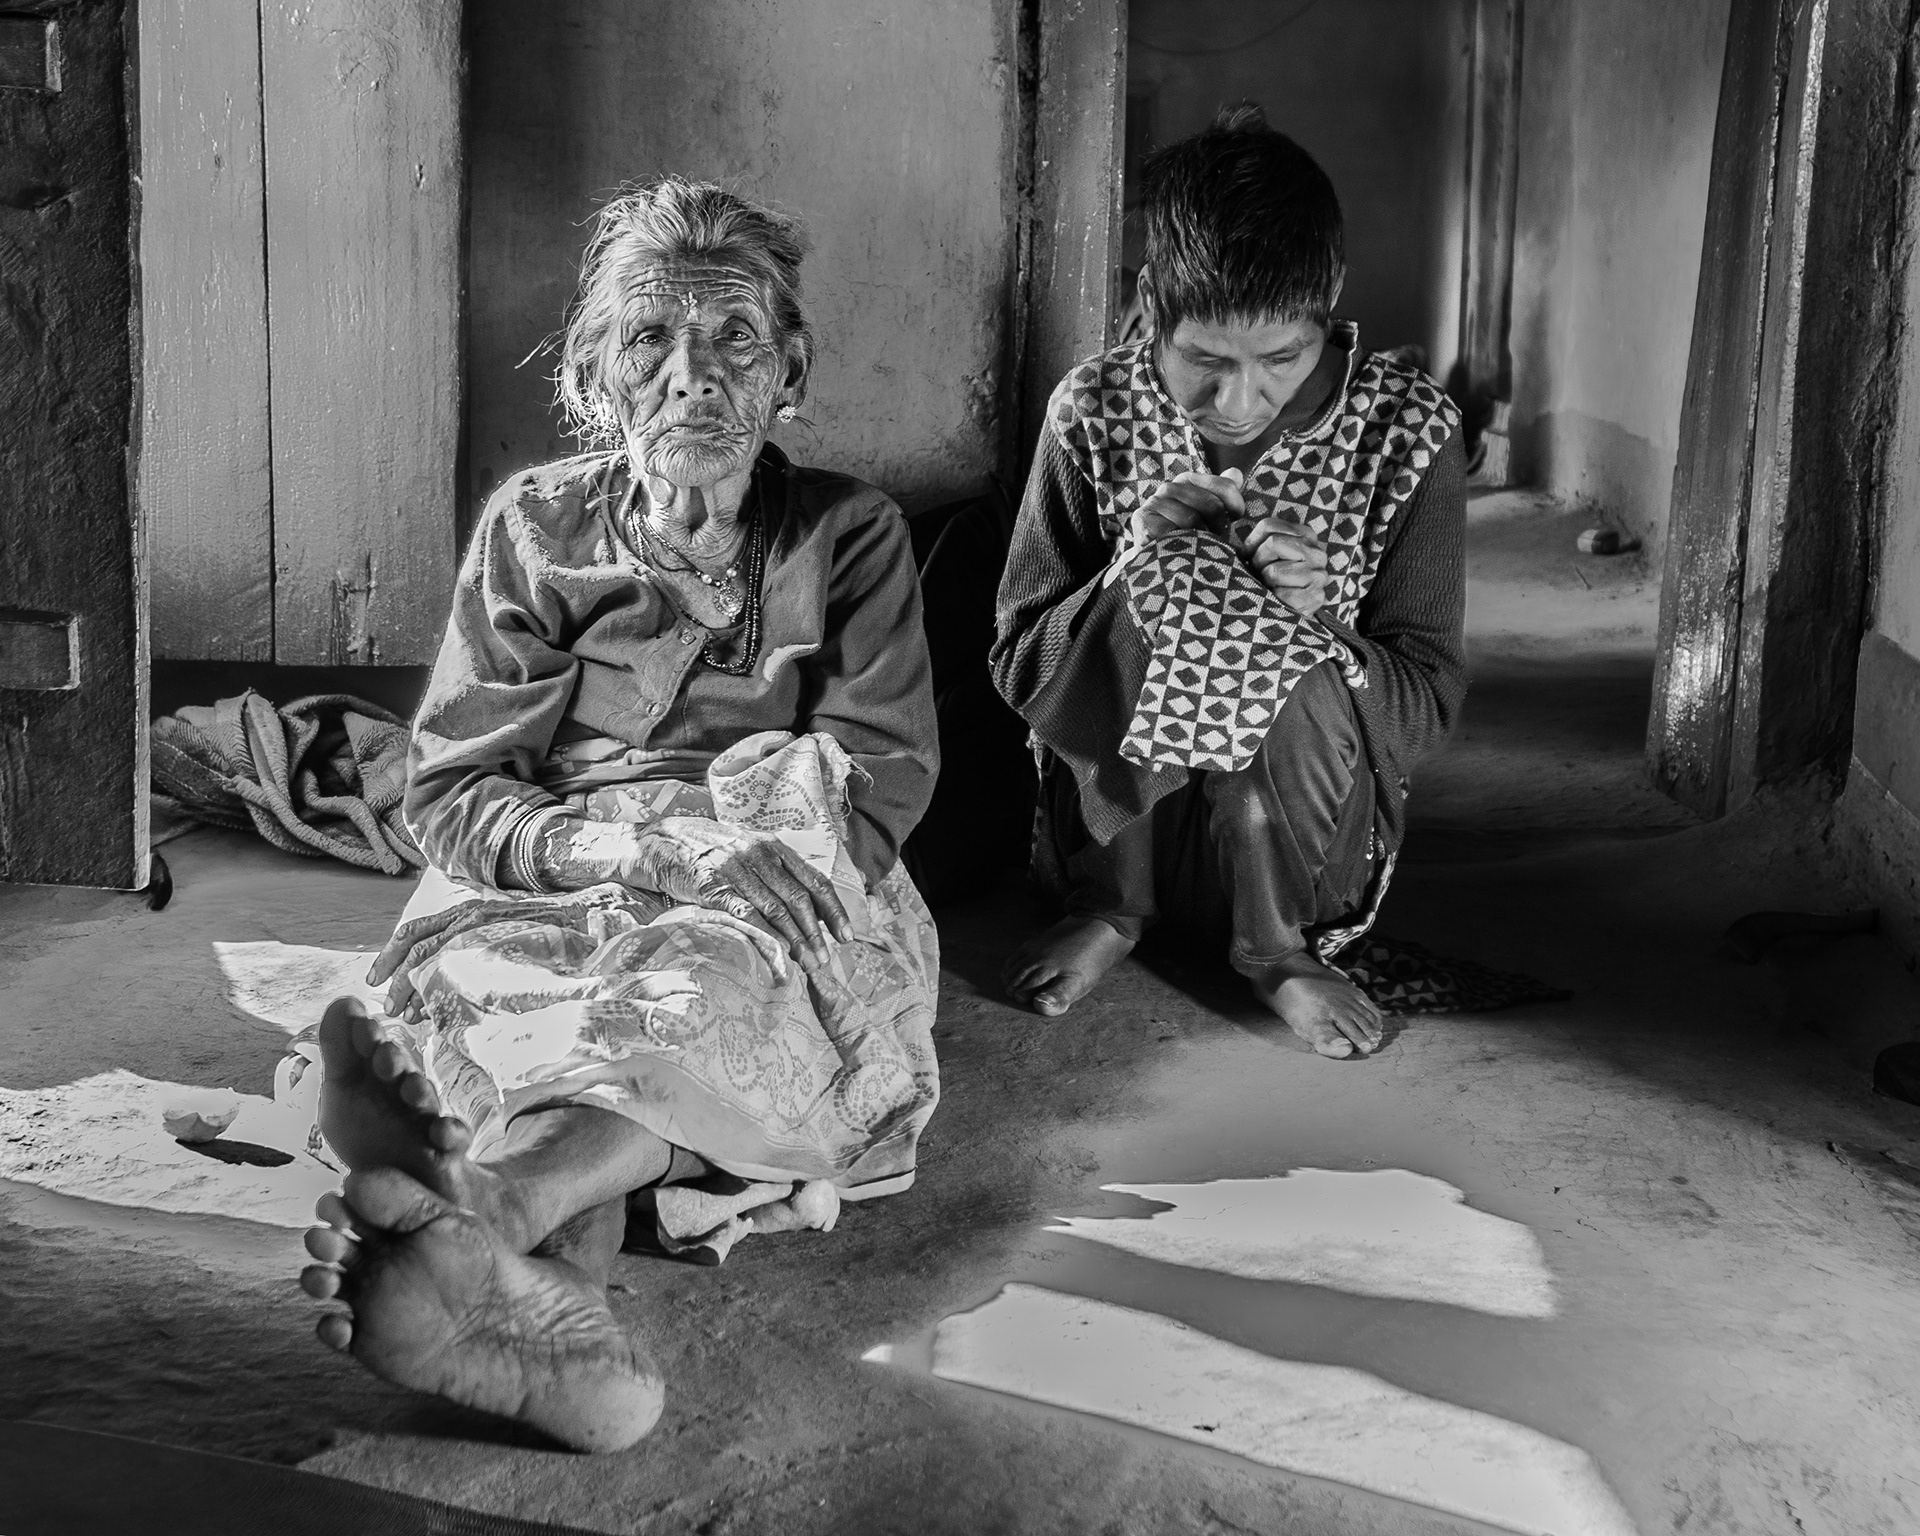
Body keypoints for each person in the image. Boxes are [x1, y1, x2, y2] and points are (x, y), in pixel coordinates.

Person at [296, 178, 940, 1453]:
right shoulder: (535, 527)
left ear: (789, 370)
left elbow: (879, 776)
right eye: (650, 340)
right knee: (515, 998)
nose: (693, 376)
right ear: (596, 377)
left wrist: (726, 854)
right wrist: (637, 849)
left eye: (733, 337)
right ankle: (554, 1311)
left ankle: (493, 1214)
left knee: (688, 993)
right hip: (561, 855)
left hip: (772, 862)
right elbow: (454, 791)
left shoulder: (849, 534)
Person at [992, 104, 1466, 1060]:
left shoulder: (1408, 431)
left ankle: (1275, 950)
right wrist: (1130, 569)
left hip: (1312, 850)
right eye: (1204, 360)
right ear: (1151, 302)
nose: (1238, 402)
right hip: (1109, 828)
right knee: (1166, 567)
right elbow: (1017, 662)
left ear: (1329, 299)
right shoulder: (1094, 409)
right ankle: (1113, 907)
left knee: (1272, 633)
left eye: (1281, 359)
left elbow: (1426, 706)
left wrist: (1314, 624)